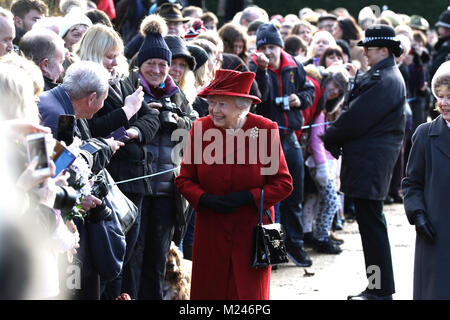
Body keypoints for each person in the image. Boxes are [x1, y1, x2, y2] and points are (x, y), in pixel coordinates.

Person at [174, 69, 293, 299]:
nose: (214, 110)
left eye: (222, 104)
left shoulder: (265, 130)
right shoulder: (200, 129)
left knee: (248, 296)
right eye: (211, 103)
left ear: (241, 106)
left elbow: (283, 183)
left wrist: (249, 197)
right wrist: (204, 198)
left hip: (253, 233)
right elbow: (184, 179)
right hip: (211, 231)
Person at [76, 23, 161, 299]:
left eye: (117, 55)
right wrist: (127, 113)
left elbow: (151, 118)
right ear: (92, 53)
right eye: (108, 56)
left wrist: (134, 128)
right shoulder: (82, 83)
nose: (114, 62)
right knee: (109, 259)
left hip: (138, 180)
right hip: (111, 181)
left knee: (128, 256)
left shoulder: (123, 80)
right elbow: (95, 130)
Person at [322, 24, 406, 300]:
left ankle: (379, 290)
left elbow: (357, 116)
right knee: (371, 226)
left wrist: (331, 134)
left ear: (384, 50)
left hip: (372, 160)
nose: (365, 54)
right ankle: (377, 287)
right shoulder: (384, 76)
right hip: (369, 159)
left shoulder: (386, 79)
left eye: (369, 49)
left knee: (372, 228)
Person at [124, 14, 197, 300]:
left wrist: (172, 118)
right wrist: (144, 115)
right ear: (140, 65)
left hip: (167, 189)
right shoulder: (127, 88)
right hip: (135, 186)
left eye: (163, 65)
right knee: (133, 257)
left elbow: (194, 127)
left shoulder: (178, 95)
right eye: (151, 64)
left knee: (158, 258)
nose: (157, 70)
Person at [249, 23, 315, 267]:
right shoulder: (255, 68)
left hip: (291, 139)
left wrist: (302, 99)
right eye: (263, 47)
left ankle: (295, 246)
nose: (269, 51)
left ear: (280, 46)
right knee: (271, 199)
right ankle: (273, 253)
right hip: (266, 142)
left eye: (272, 46)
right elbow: (259, 98)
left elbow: (308, 89)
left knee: (294, 195)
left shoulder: (294, 65)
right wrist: (262, 72)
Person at [402, 60, 450, 300]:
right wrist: (417, 215)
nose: (444, 103)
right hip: (436, 230)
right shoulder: (425, 134)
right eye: (440, 96)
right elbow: (411, 182)